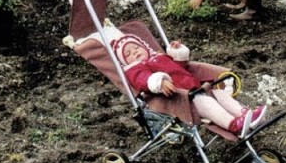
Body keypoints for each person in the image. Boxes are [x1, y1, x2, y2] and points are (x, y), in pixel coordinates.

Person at [109, 32, 267, 137]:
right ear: (124, 62)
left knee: (221, 95)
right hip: (182, 100)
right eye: (128, 54)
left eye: (136, 47)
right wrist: (160, 81)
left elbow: (181, 66)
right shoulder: (136, 70)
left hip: (196, 87)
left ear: (144, 46)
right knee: (208, 103)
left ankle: (246, 115)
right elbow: (143, 79)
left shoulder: (158, 57)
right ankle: (234, 126)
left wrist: (176, 51)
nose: (135, 52)